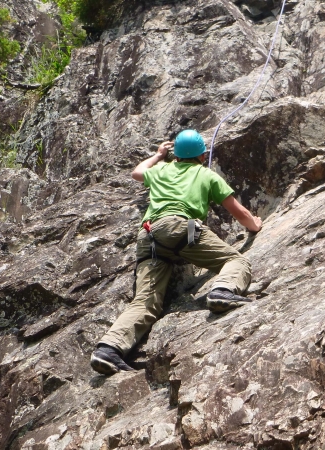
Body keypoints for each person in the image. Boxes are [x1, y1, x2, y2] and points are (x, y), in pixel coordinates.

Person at [90, 129, 263, 375]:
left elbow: (137, 172)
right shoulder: (206, 174)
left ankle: (108, 349)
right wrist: (255, 224)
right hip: (181, 228)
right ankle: (223, 291)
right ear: (203, 156)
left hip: (149, 235)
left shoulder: (161, 169)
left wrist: (159, 155)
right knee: (235, 261)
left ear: (176, 155)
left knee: (146, 301)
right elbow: (238, 212)